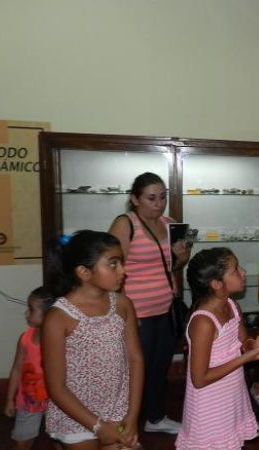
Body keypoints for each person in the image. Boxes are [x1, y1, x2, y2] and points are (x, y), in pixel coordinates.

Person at [42, 230, 144, 449]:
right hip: (76, 415)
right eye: (113, 264)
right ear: (84, 272)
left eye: (121, 262)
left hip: (117, 409)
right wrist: (98, 427)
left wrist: (133, 415)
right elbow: (56, 387)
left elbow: (135, 360)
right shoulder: (58, 317)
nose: (123, 271)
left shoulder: (123, 305)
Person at [108, 172, 191, 434]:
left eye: (163, 197)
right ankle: (124, 424)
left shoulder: (170, 224)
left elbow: (173, 266)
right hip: (136, 312)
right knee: (133, 369)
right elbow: (111, 267)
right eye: (151, 198)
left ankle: (155, 418)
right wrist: (122, 311)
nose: (159, 204)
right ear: (135, 199)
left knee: (159, 367)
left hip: (166, 309)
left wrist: (182, 256)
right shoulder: (126, 224)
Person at [175, 247, 259, 449]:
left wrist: (254, 345)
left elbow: (243, 341)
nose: (243, 272)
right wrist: (246, 358)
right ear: (216, 284)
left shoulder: (231, 305)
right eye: (235, 270)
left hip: (230, 395)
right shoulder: (204, 322)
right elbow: (200, 379)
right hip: (209, 405)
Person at [5, 286, 59, 450]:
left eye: (31, 309)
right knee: (23, 441)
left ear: (48, 315)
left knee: (62, 440)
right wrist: (10, 399)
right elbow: (16, 369)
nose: (26, 313)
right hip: (28, 402)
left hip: (57, 402)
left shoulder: (60, 341)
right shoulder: (25, 339)